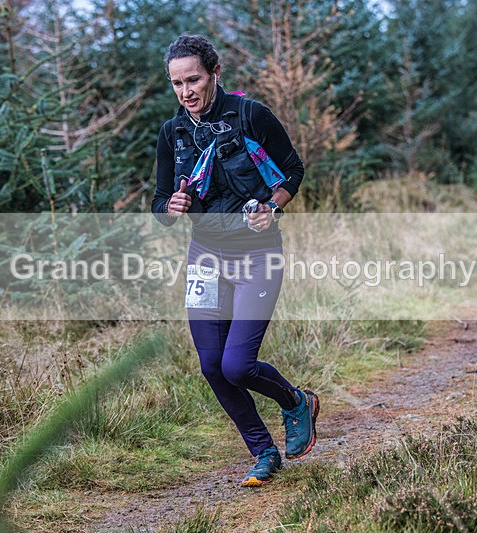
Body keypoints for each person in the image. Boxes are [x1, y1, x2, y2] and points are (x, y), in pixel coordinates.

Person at [150, 33, 319, 487]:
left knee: (237, 366)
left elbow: (293, 170)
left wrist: (273, 205)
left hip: (257, 256)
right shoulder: (173, 134)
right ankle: (263, 452)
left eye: (193, 79)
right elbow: (160, 204)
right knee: (210, 365)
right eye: (176, 83)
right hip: (205, 258)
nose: (186, 91)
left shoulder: (250, 115)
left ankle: (296, 402)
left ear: (214, 74)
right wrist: (171, 209)